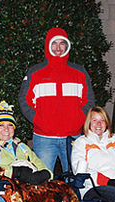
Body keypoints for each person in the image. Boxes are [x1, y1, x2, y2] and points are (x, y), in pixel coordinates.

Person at [18, 27, 95, 173]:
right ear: (48, 45)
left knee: (74, 180)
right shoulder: (35, 72)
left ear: (67, 46)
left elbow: (89, 100)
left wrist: (79, 120)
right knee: (43, 181)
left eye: (62, 43)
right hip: (44, 138)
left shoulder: (79, 72)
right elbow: (24, 100)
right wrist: (39, 120)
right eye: (54, 43)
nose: (58, 48)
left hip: (73, 137)